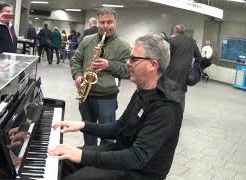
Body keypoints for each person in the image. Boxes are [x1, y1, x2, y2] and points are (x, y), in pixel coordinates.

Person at [49, 34, 184, 180]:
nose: (127, 63)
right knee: (61, 160)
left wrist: (81, 155)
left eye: (134, 59)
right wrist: (82, 125)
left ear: (153, 65)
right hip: (122, 153)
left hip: (139, 172)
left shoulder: (166, 106)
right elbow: (119, 128)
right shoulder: (143, 90)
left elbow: (137, 157)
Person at [70, 7, 131, 146]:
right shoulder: (87, 40)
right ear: (97, 22)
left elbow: (129, 71)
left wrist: (109, 65)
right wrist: (78, 76)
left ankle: (103, 165)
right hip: (86, 96)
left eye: (109, 22)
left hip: (107, 98)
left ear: (115, 22)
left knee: (107, 137)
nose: (105, 26)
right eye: (102, 22)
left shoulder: (124, 46)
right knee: (88, 133)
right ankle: (88, 161)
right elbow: (75, 60)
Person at [165, 24, 202, 110]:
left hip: (171, 72)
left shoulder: (171, 41)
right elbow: (199, 57)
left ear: (175, 31)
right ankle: (179, 114)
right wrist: (193, 69)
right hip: (184, 74)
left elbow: (165, 56)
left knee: (168, 92)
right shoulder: (192, 41)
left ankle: (167, 112)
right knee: (181, 94)